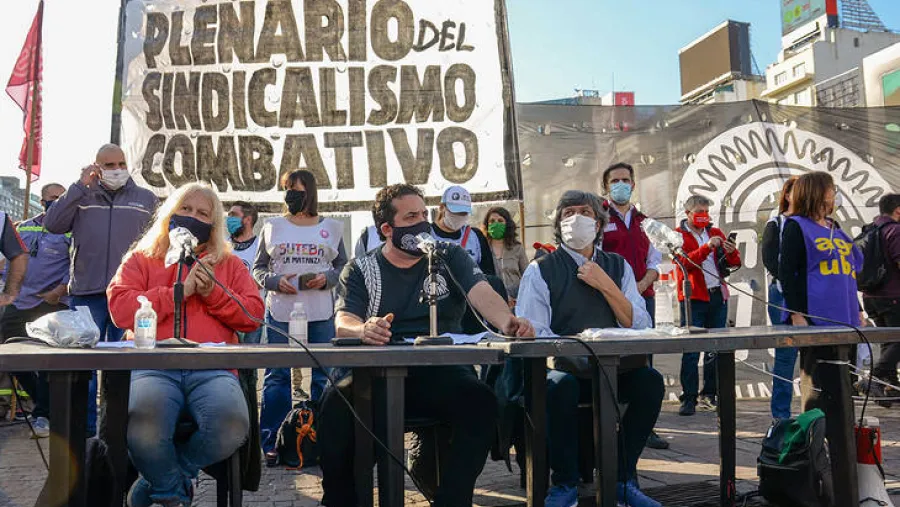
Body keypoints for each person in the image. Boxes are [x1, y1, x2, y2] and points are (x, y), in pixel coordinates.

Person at [318, 184, 534, 507]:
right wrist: (364, 328)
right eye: (411, 217)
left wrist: (507, 321)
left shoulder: (449, 256)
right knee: (335, 404)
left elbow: (482, 293)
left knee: (481, 403)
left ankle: (451, 500)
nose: (422, 223)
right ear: (387, 229)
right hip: (376, 377)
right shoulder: (361, 269)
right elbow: (344, 320)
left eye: (424, 214)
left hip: (440, 373)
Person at [107, 183, 263, 507]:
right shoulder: (142, 258)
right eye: (185, 209)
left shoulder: (229, 264)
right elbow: (120, 308)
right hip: (154, 366)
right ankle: (171, 495)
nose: (193, 217)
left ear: (214, 224)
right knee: (143, 427)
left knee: (232, 423)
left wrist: (213, 294)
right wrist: (176, 293)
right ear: (169, 214)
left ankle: (168, 478)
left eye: (203, 213)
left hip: (212, 368)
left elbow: (253, 316)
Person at [516, 190, 663, 507]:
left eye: (584, 212)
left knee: (650, 383)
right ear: (557, 222)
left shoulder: (617, 266)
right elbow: (537, 331)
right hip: (566, 370)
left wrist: (605, 285)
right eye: (567, 213)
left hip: (614, 370)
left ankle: (623, 480)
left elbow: (639, 324)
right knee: (558, 388)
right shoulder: (541, 270)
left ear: (598, 223)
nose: (575, 218)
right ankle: (565, 483)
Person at [44, 143, 158, 435]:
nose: (117, 169)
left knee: (125, 364)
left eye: (121, 163)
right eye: (109, 165)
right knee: (85, 364)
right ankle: (86, 431)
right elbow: (53, 224)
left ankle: (118, 428)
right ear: (96, 167)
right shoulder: (82, 195)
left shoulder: (145, 198)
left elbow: (157, 244)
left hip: (130, 294)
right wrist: (78, 186)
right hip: (86, 291)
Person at [253, 170, 347, 464]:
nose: (289, 194)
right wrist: (273, 282)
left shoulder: (331, 227)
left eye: (295, 188)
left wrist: (327, 278)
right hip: (281, 310)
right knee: (277, 376)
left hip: (320, 312)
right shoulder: (272, 226)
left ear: (310, 191)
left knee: (323, 376)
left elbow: (344, 267)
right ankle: (272, 440)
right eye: (286, 189)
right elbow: (258, 269)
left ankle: (321, 437)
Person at [778, 172, 864, 415]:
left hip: (845, 314)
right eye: (830, 188)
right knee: (820, 383)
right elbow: (788, 273)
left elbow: (848, 274)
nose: (834, 193)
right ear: (816, 192)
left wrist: (858, 309)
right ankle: (816, 439)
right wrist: (797, 314)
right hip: (817, 316)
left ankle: (844, 439)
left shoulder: (834, 226)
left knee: (845, 380)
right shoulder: (795, 226)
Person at [600, 162, 668, 450]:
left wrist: (639, 289)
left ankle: (645, 426)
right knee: (612, 361)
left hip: (644, 299)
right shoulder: (599, 217)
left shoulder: (645, 221)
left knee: (644, 363)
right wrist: (621, 293)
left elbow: (655, 262)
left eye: (626, 180)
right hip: (609, 300)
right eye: (615, 180)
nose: (621, 184)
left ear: (633, 185)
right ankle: (610, 423)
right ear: (606, 187)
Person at [0, 183, 69, 438]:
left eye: (61, 198)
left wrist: (60, 290)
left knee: (47, 360)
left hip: (51, 302)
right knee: (11, 355)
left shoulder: (72, 231)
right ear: (42, 201)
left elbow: (76, 264)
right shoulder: (24, 226)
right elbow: (12, 257)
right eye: (52, 198)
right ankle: (45, 400)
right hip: (20, 301)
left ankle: (43, 415)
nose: (57, 202)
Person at [674, 196, 742, 416]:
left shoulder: (716, 232)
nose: (704, 215)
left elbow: (733, 263)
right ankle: (689, 398)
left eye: (706, 211)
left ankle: (710, 394)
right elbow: (684, 263)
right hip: (693, 299)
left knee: (715, 348)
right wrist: (705, 247)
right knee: (691, 350)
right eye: (699, 211)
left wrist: (731, 251)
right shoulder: (678, 235)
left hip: (717, 296)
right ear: (688, 213)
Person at [761, 176, 799, 420]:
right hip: (783, 294)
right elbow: (770, 259)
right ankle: (781, 416)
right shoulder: (776, 223)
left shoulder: (822, 224)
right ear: (786, 195)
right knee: (785, 357)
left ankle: (817, 413)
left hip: (814, 298)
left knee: (816, 357)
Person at [858, 193, 900, 403]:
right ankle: (873, 376)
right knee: (897, 339)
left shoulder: (870, 230)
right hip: (893, 295)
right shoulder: (895, 230)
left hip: (870, 296)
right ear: (898, 210)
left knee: (889, 341)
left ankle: (890, 389)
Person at [432, 185, 496, 276]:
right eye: (455, 211)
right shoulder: (427, 234)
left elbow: (489, 274)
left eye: (463, 213)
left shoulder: (476, 236)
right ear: (442, 207)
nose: (459, 216)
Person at [227, 200, 264, 345]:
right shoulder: (222, 246)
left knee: (250, 362)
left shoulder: (260, 246)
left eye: (233, 215)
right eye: (229, 215)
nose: (229, 219)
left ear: (247, 219)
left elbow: (262, 279)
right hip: (226, 313)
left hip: (252, 315)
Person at [482, 206, 528, 306]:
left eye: (500, 220)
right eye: (492, 221)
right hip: (492, 301)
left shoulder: (517, 248)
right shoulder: (483, 248)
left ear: (507, 224)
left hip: (517, 301)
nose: (496, 224)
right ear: (487, 225)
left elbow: (527, 276)